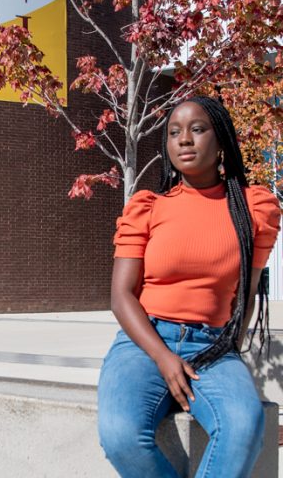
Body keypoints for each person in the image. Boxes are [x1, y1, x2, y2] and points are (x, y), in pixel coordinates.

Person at [97, 96, 281, 478]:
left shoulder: (254, 210)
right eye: (174, 133)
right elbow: (121, 295)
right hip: (144, 342)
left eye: (197, 129)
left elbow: (245, 296)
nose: (184, 140)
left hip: (211, 346)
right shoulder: (147, 208)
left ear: (221, 142)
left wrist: (228, 348)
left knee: (245, 427)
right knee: (121, 435)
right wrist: (164, 359)